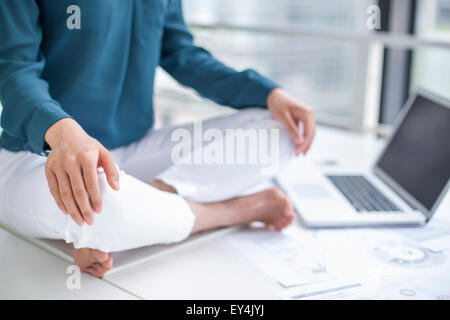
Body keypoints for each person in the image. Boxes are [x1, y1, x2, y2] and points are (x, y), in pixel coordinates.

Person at [0, 0, 315, 277]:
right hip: (36, 155)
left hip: (135, 148)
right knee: (100, 206)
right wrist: (59, 128)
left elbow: (181, 54)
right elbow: (15, 71)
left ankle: (150, 201)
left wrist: (268, 93)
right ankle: (234, 211)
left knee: (282, 130)